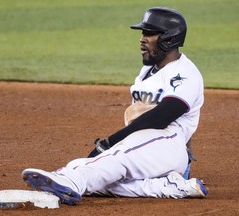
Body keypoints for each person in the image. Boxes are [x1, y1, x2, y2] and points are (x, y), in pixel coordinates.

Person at [22, 7, 207, 205]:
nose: (142, 39)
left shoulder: (185, 74)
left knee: (115, 159)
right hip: (146, 145)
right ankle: (168, 186)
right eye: (142, 33)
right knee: (96, 170)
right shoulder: (147, 71)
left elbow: (163, 116)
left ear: (169, 39)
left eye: (149, 33)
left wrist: (109, 142)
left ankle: (70, 180)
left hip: (168, 144)